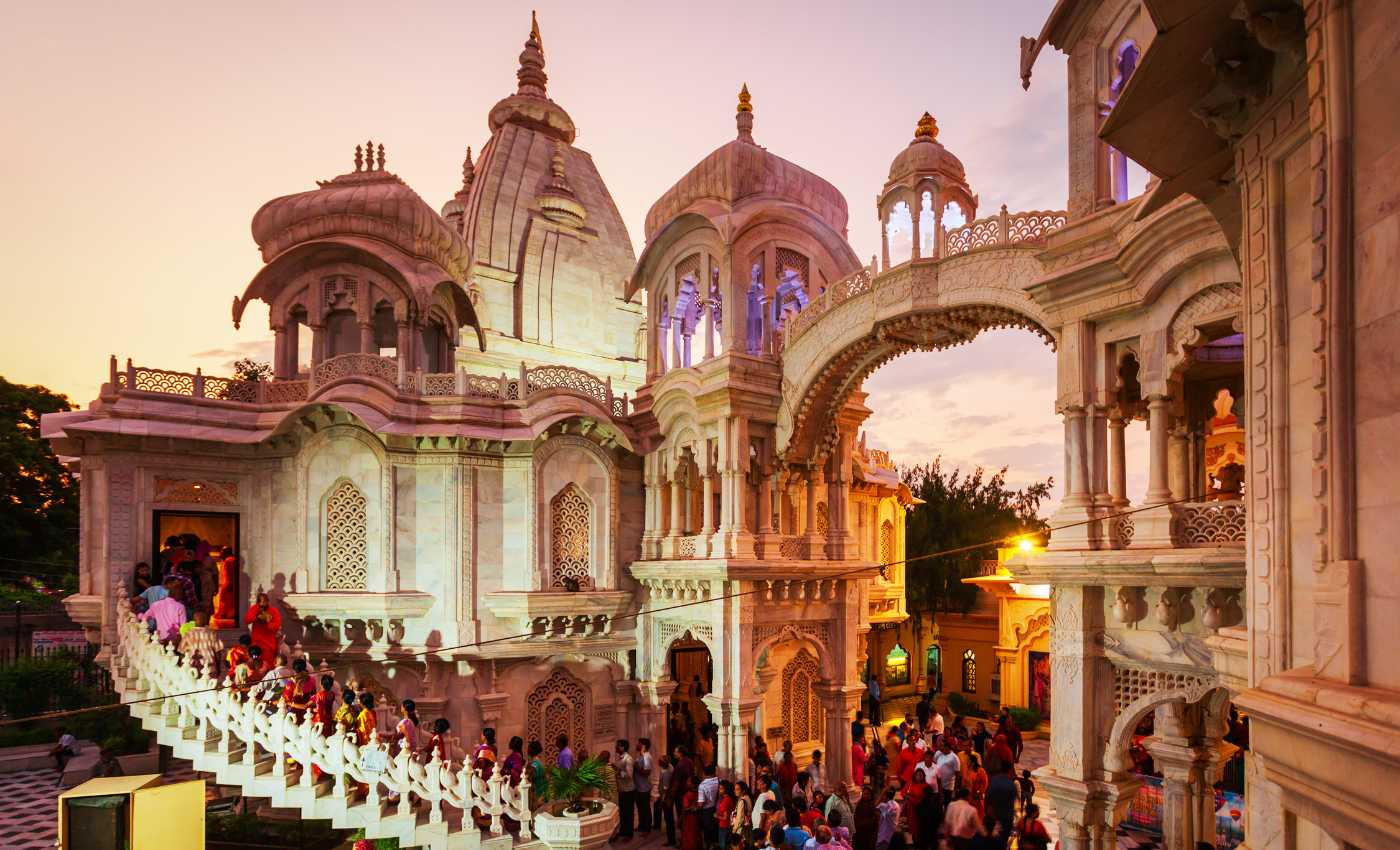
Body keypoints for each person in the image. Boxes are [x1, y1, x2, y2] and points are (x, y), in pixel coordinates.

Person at [246, 591, 282, 668]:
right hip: (256, 644)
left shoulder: (274, 611)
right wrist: (256, 617)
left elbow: (277, 626)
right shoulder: (254, 608)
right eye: (260, 604)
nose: (262, 606)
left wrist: (267, 622)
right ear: (258, 603)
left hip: (269, 644)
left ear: (268, 602)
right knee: (255, 664)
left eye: (264, 603)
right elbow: (247, 620)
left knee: (268, 666)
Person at [986, 767, 1018, 841]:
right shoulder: (1011, 784)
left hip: (993, 814)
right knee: (1003, 840)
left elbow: (988, 797)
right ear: (1009, 771)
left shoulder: (993, 780)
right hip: (1006, 816)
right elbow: (1014, 799)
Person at [616, 738, 637, 841]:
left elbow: (629, 775)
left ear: (623, 747)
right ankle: (623, 831)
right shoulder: (620, 758)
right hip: (622, 789)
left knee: (628, 812)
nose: (616, 747)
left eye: (618, 745)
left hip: (628, 790)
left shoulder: (628, 759)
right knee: (623, 811)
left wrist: (618, 772)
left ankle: (629, 834)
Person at [698, 762, 720, 849]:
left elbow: (701, 803)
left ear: (704, 773)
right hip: (717, 808)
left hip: (707, 811)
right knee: (716, 831)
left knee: (707, 832)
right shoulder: (719, 781)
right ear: (714, 771)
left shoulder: (702, 785)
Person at [933, 738, 961, 806]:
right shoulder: (939, 754)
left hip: (948, 787)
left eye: (942, 746)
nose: (940, 748)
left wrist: (955, 789)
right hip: (939, 785)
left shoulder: (954, 757)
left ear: (947, 747)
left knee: (947, 804)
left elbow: (957, 774)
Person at [635, 737, 655, 835]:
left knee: (645, 808)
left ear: (643, 746)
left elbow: (646, 773)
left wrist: (636, 767)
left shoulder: (647, 756)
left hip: (644, 787)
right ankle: (641, 826)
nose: (636, 745)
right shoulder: (640, 755)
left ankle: (647, 828)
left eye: (638, 743)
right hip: (638, 786)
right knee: (640, 808)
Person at [680, 775, 704, 850]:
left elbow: (686, 808)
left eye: (689, 781)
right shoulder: (699, 793)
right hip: (697, 817)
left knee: (690, 835)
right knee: (696, 833)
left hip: (689, 818)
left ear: (693, 784)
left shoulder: (688, 795)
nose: (687, 782)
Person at [658, 753, 677, 846]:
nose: (658, 760)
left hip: (667, 798)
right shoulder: (670, 767)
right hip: (669, 797)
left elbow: (665, 789)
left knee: (668, 819)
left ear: (663, 762)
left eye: (660, 759)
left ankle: (671, 841)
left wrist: (662, 801)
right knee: (669, 819)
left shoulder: (666, 773)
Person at [852, 786, 879, 850]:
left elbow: (875, 820)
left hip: (869, 835)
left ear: (871, 795)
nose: (866, 796)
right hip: (859, 834)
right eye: (865, 794)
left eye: (868, 794)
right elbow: (856, 817)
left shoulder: (874, 805)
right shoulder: (859, 804)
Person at [964, 753, 988, 820]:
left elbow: (985, 782)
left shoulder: (980, 770)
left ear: (972, 762)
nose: (966, 762)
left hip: (977, 797)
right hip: (969, 797)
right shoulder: (967, 770)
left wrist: (979, 792)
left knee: (978, 816)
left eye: (968, 761)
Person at [732, 781, 752, 849]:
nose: (735, 791)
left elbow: (740, 818)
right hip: (747, 827)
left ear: (743, 791)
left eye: (737, 789)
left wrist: (734, 830)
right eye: (735, 789)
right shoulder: (748, 798)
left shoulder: (742, 801)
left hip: (740, 829)